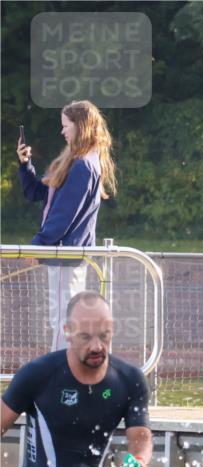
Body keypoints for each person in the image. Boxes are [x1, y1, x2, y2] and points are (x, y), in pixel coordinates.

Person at [1, 290, 152, 467]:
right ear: (68, 332)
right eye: (85, 337)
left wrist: (138, 461)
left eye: (103, 336)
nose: (96, 346)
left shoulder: (129, 380)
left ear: (112, 330)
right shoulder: (38, 375)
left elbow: (140, 436)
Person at [16, 100, 117, 351]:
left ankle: (63, 376)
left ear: (80, 127)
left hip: (65, 256)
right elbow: (38, 192)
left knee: (63, 320)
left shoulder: (83, 165)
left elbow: (63, 216)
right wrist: (25, 165)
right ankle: (64, 374)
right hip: (62, 255)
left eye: (66, 126)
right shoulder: (76, 161)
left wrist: (37, 247)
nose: (62, 131)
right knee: (62, 318)